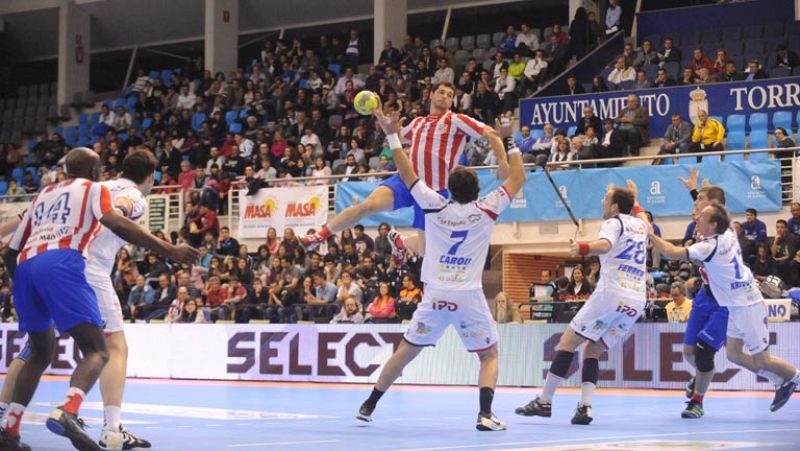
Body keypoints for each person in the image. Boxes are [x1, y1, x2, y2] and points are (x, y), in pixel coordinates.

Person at [0, 148, 197, 451]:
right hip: (78, 267)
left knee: (35, 351)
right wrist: (169, 250)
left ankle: (6, 423)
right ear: (151, 176)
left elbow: (15, 238)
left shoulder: (50, 192)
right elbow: (117, 212)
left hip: (29, 265)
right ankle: (109, 429)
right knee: (110, 347)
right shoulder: (122, 193)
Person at [356, 103, 525, 431]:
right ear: (477, 190)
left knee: (405, 352)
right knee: (488, 355)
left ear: (451, 187)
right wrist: (509, 141)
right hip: (469, 296)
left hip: (435, 295)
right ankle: (485, 414)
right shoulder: (488, 208)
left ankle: (369, 404)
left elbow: (407, 173)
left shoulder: (434, 204)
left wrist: (393, 136)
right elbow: (518, 177)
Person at [299, 83, 509, 258]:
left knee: (426, 251)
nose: (445, 97)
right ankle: (319, 236)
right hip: (406, 181)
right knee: (366, 206)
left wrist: (502, 161)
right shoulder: (418, 122)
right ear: (432, 95)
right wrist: (379, 113)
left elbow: (491, 133)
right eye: (442, 92)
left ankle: (403, 242)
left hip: (433, 193)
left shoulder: (456, 120)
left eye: (450, 95)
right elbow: (394, 133)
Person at [515, 182, 649, 425]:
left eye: (605, 199)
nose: (602, 202)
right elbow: (644, 220)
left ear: (615, 206)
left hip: (612, 293)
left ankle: (545, 401)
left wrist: (583, 247)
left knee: (568, 342)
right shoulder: (641, 224)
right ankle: (585, 408)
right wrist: (636, 199)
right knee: (592, 349)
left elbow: (605, 245)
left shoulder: (612, 222)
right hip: (637, 299)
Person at [650, 203, 800, 413]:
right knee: (734, 355)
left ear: (713, 225)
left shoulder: (709, 246)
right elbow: (718, 213)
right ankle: (779, 380)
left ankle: (794, 378)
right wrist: (696, 193)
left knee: (763, 359)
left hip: (747, 305)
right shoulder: (728, 233)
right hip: (734, 305)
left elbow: (672, 252)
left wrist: (650, 233)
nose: (697, 219)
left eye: (702, 217)